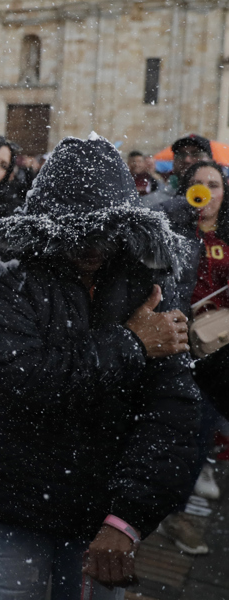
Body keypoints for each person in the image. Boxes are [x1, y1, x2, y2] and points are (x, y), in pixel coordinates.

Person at [0, 134, 199, 599]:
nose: (90, 246)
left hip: (101, 506)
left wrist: (127, 517)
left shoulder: (147, 279)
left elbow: (171, 410)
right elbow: (19, 377)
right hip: (13, 494)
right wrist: (130, 342)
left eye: (103, 231)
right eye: (74, 231)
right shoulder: (10, 269)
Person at [157, 160, 229, 554]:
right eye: (197, 184)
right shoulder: (171, 229)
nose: (205, 191)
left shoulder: (227, 236)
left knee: (199, 436)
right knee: (162, 429)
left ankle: (176, 513)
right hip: (173, 344)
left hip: (215, 350)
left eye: (213, 184)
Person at [143, 134, 212, 208]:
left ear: (211, 162)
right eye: (181, 154)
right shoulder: (151, 203)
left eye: (196, 154)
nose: (187, 160)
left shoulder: (219, 203)